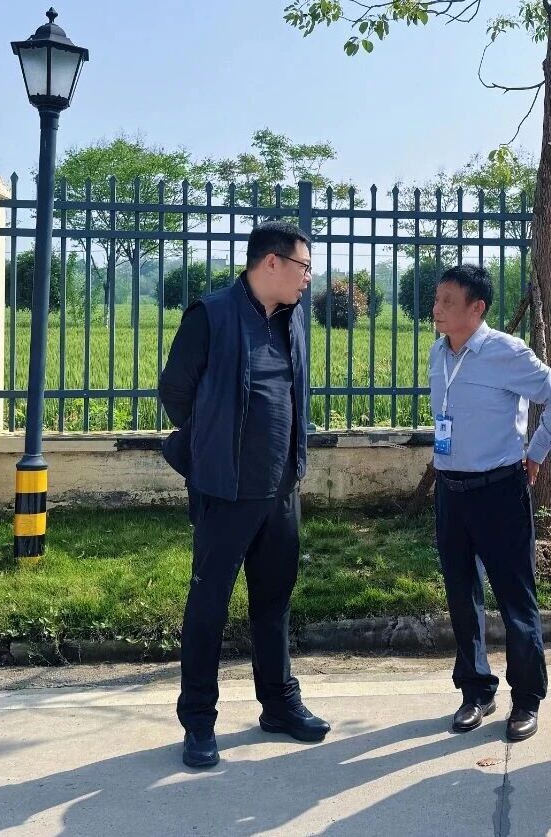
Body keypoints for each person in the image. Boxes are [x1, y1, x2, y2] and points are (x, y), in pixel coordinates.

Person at [158, 221, 328, 770]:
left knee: (274, 603)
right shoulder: (211, 315)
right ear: (271, 262)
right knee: (208, 607)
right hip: (226, 491)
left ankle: (278, 704)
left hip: (281, 491)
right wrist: (212, 440)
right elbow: (175, 391)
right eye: (303, 266)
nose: (308, 278)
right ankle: (198, 722)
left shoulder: (292, 317)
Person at [429, 264, 551, 743]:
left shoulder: (506, 352)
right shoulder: (439, 352)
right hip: (450, 491)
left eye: (449, 302)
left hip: (499, 491)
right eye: (437, 299)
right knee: (461, 594)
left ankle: (526, 699)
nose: (437, 309)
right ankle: (476, 690)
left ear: (477, 308)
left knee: (515, 598)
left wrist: (536, 452)